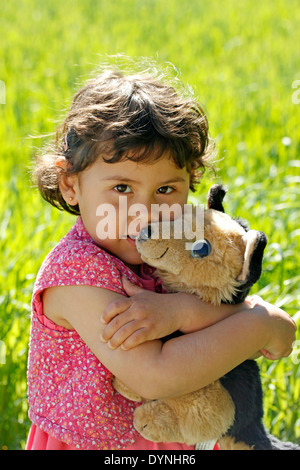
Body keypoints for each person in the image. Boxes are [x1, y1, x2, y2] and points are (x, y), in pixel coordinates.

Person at [26, 61, 296, 450]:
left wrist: (186, 313)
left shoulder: (174, 252)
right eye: (121, 188)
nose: (146, 212)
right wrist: (260, 323)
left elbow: (224, 333)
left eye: (167, 190)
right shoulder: (76, 274)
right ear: (71, 185)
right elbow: (154, 375)